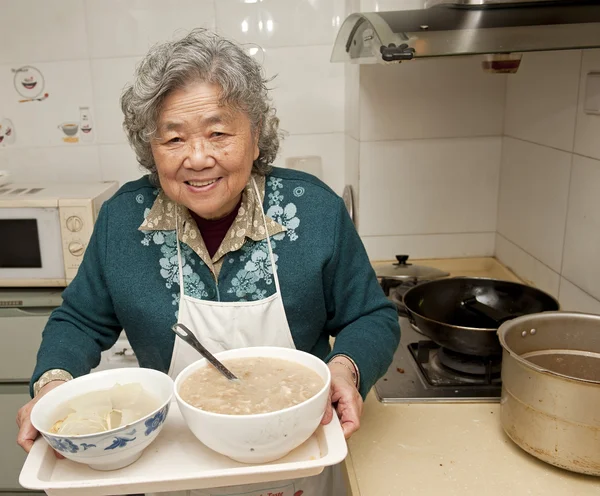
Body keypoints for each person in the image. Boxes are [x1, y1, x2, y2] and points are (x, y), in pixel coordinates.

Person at [16, 29, 400, 495]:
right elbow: (78, 320)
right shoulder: (123, 221)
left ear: (255, 137)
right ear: (150, 149)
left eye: (218, 133)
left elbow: (370, 316)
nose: (198, 158)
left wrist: (346, 368)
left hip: (297, 455)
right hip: (176, 462)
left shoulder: (315, 212)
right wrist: (53, 383)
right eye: (174, 139)